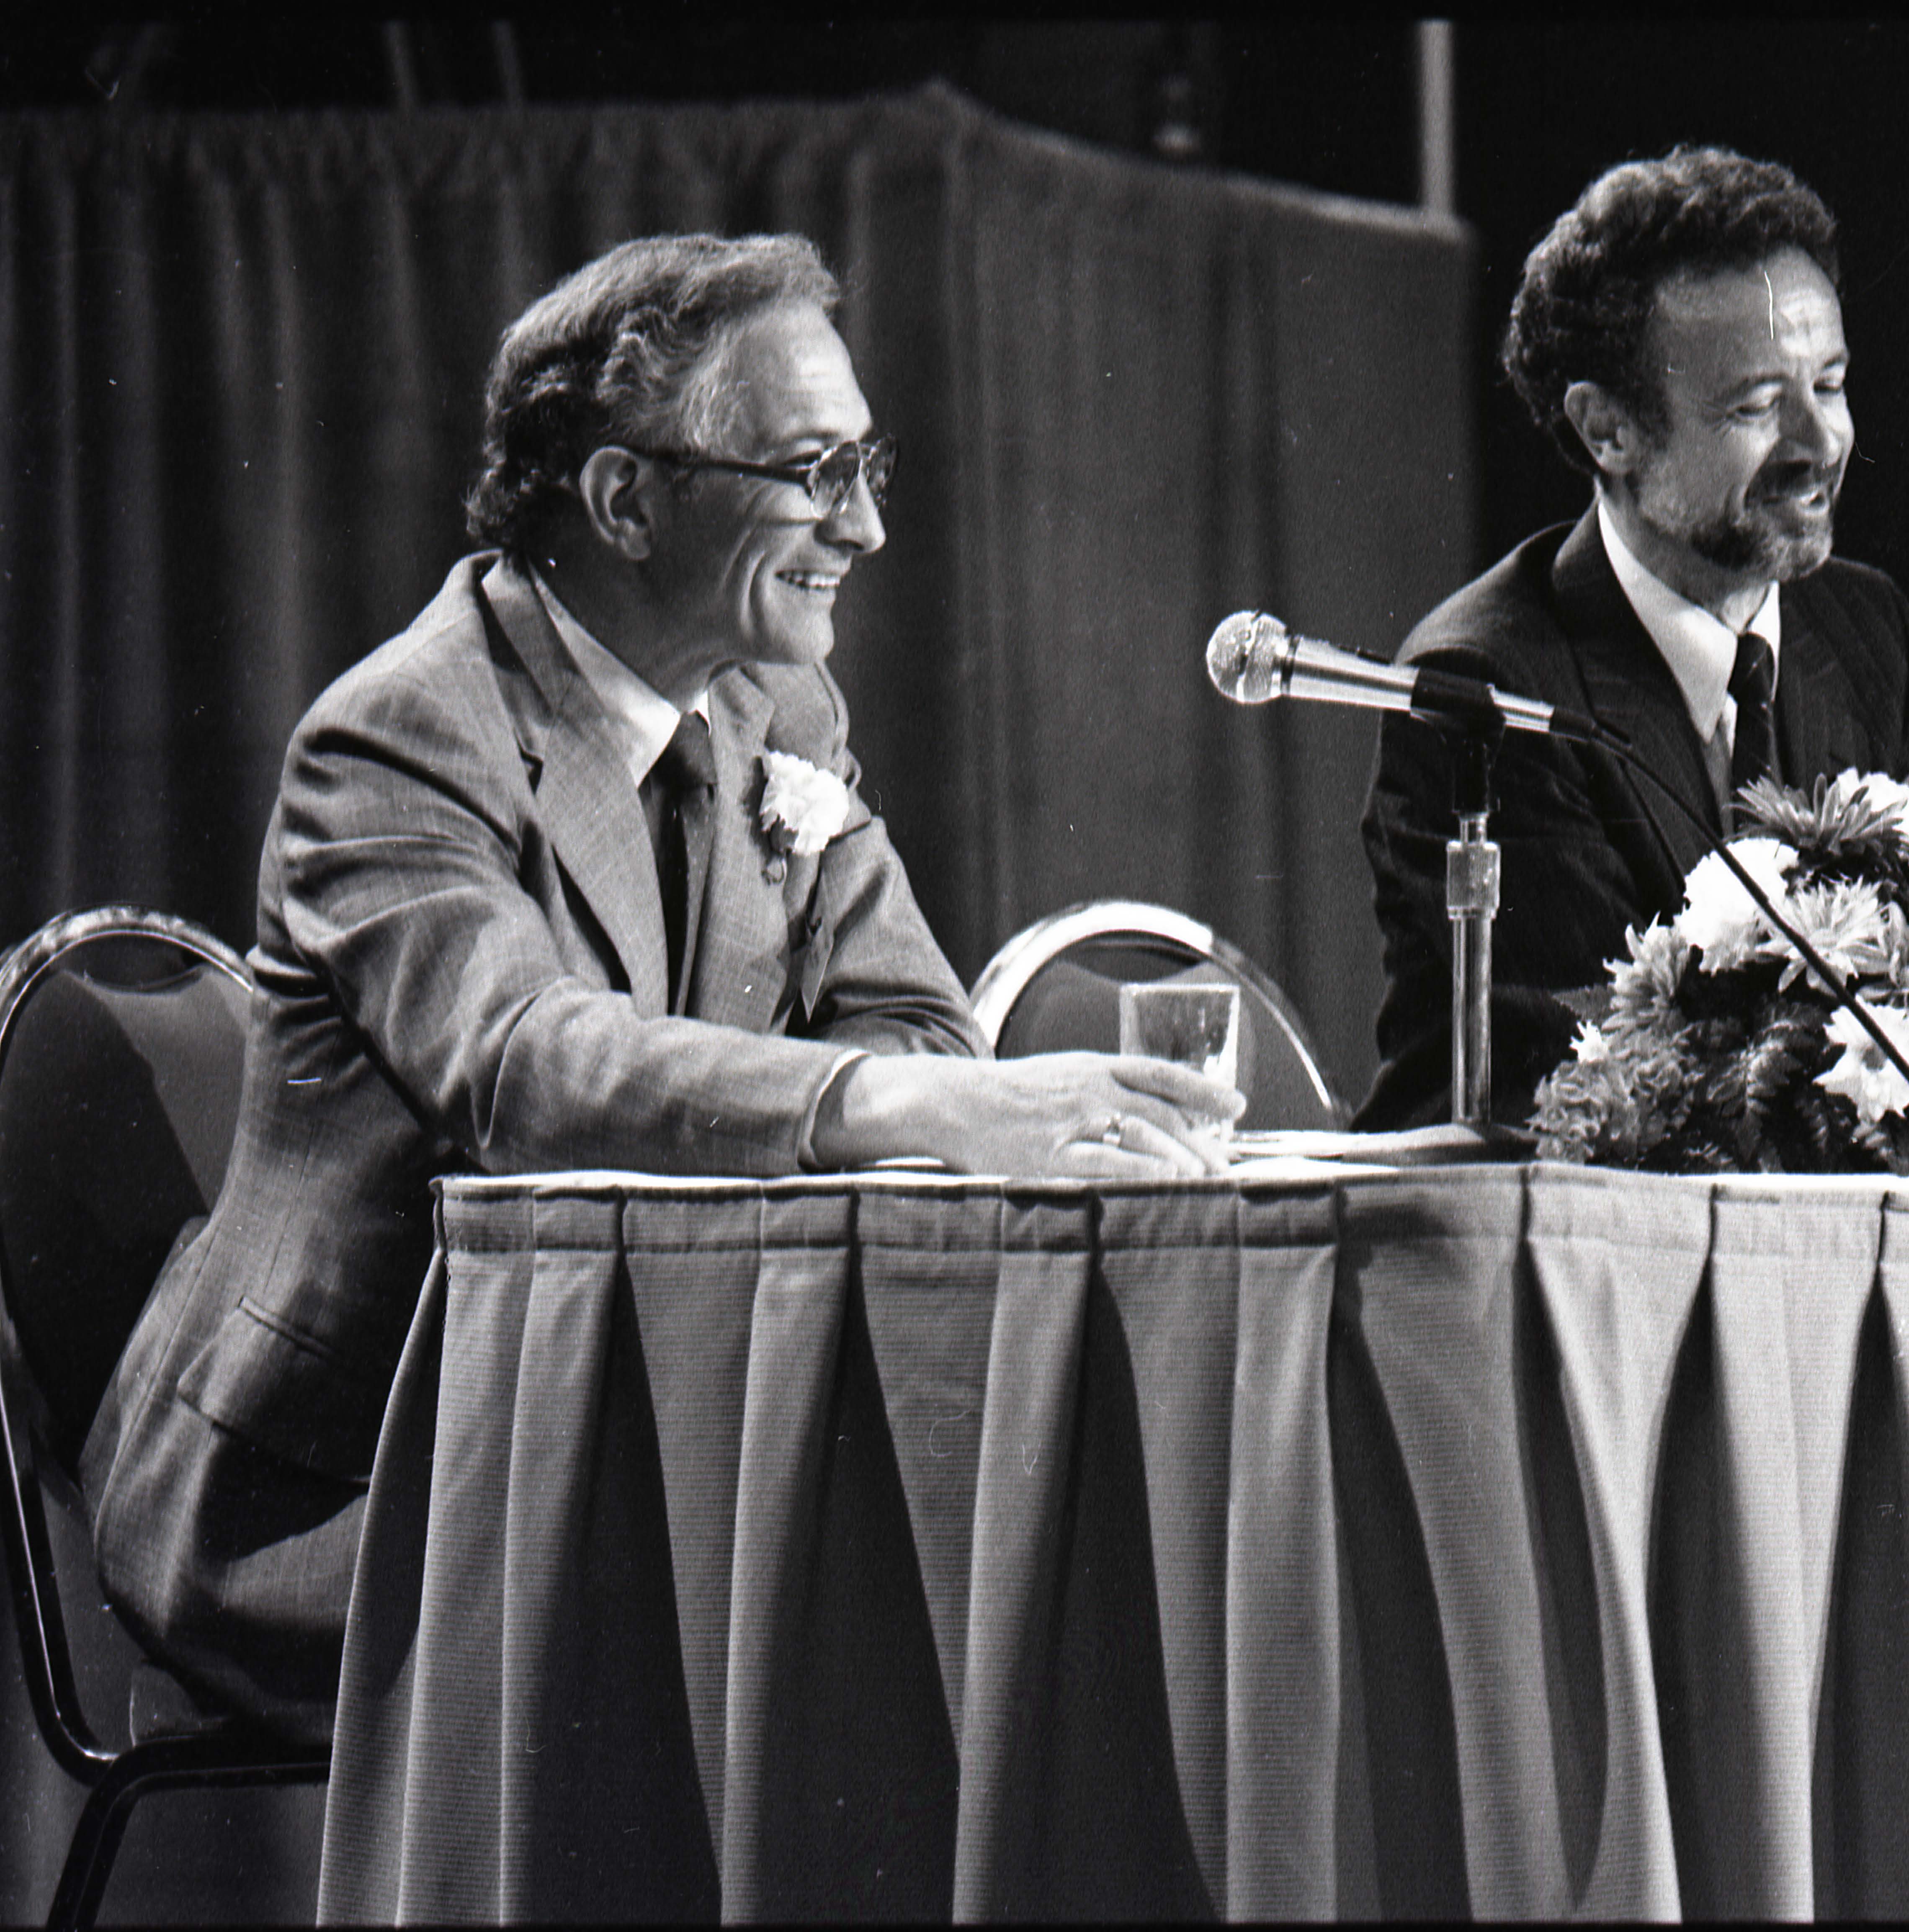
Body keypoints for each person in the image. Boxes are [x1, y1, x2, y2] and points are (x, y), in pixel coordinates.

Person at [80, 232, 1237, 1735]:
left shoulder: (780, 707)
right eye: (815, 471)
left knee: (993, 1595)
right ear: (627, 500)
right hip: (345, 1491)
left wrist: (916, 1081)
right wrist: (901, 1103)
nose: (868, 526)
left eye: (866, 463)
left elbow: (912, 1014)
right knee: (856, 1645)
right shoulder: (399, 736)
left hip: (620, 1440)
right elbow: (526, 1069)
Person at [1356, 147, 1909, 1130]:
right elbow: (1602, 1085)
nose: (1820, 442)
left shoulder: (1865, 625)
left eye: (1829, 385)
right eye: (1756, 406)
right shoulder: (1487, 687)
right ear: (1607, 431)